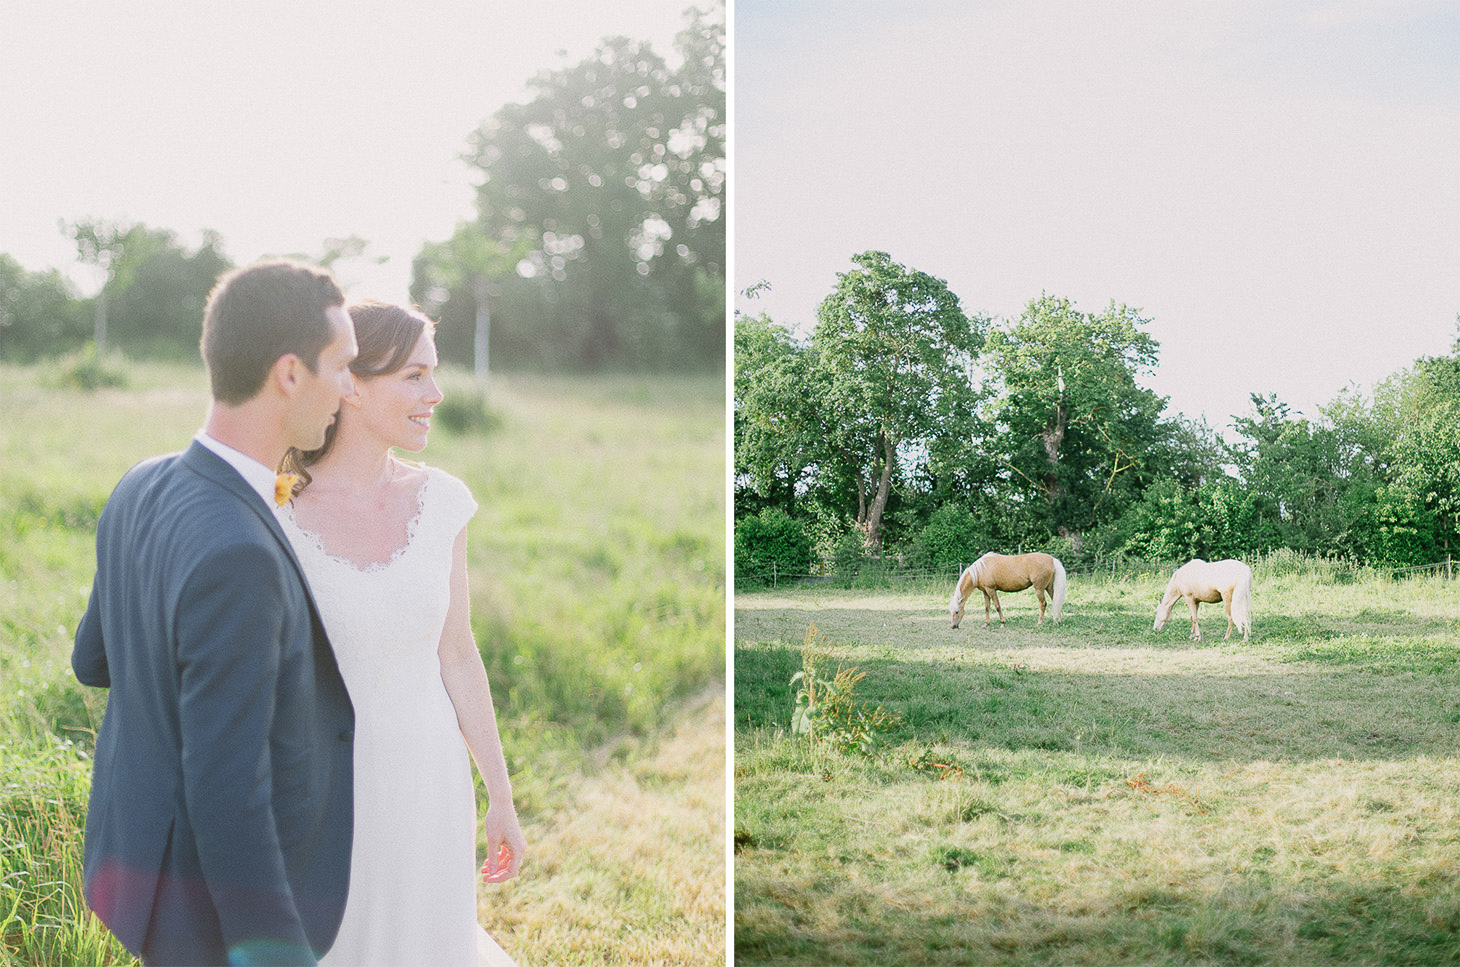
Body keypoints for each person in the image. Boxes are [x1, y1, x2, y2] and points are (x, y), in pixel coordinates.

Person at [72, 260, 361, 966]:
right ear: (290, 374)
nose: (351, 389)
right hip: (202, 917)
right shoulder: (240, 553)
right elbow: (228, 793)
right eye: (344, 366)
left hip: (132, 867)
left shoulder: (139, 482)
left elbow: (94, 658)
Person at [277, 300, 526, 966]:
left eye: (434, 374)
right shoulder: (273, 512)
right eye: (415, 376)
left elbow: (458, 652)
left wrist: (498, 795)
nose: (436, 394)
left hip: (428, 783)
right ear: (352, 384)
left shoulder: (443, 500)